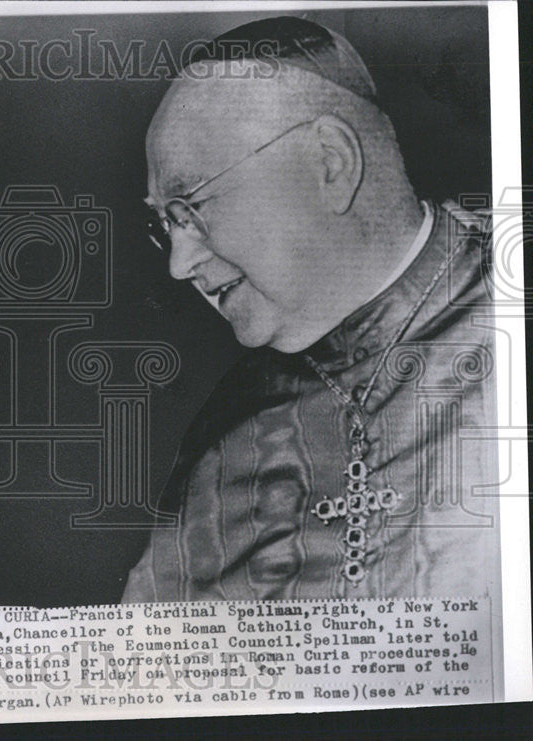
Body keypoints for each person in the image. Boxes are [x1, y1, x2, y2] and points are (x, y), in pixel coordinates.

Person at [124, 17, 499, 602]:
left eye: (192, 206)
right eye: (166, 223)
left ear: (331, 163)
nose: (179, 263)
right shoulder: (225, 432)